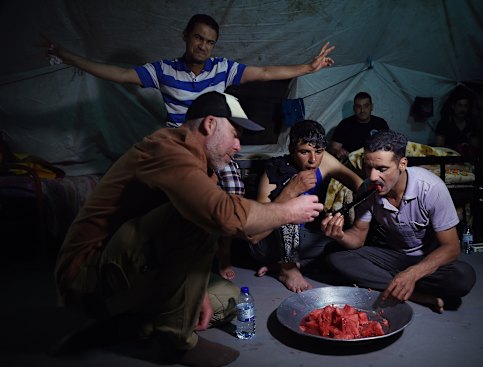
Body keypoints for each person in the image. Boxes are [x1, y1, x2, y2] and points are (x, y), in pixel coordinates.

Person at [47, 13, 335, 280]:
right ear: (186, 36)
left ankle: (222, 255)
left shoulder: (222, 69)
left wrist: (308, 68)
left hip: (214, 149)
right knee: (179, 204)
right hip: (184, 148)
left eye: (210, 42)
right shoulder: (163, 71)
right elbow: (120, 75)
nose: (203, 46)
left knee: (232, 188)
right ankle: (164, 265)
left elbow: (265, 72)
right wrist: (68, 57)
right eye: (199, 38)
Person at [53, 91, 324, 366]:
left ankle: (124, 325)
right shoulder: (166, 149)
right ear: (209, 124)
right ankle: (175, 341)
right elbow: (222, 216)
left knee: (230, 300)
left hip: (130, 268)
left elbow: (238, 231)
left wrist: (193, 292)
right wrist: (287, 210)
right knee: (202, 213)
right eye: (235, 134)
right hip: (90, 276)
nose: (238, 146)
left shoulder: (200, 163)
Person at [321, 130, 476, 313]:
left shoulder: (432, 188)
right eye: (368, 167)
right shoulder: (367, 189)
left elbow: (451, 248)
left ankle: (392, 283)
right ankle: (413, 294)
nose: (372, 177)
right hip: (392, 256)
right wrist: (340, 235)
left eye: (382, 169)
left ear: (402, 164)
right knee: (335, 257)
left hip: (426, 259)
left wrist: (413, 273)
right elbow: (358, 236)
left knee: (463, 277)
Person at [248, 120, 363, 293]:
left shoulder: (323, 161)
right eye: (304, 152)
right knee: (293, 209)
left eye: (318, 151)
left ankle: (284, 264)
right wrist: (289, 192)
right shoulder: (272, 172)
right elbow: (254, 235)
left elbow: (360, 185)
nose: (313, 160)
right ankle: (288, 268)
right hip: (267, 244)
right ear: (291, 149)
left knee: (341, 244)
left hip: (305, 239)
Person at [328, 92, 389, 161]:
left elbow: (389, 145)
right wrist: (338, 151)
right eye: (358, 106)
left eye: (366, 106)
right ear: (354, 108)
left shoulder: (380, 123)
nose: (362, 110)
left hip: (375, 163)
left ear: (371, 107)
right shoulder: (345, 124)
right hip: (351, 165)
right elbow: (333, 148)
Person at [434, 86, 479, 155]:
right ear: (453, 106)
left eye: (465, 106)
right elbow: (439, 147)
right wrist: (455, 148)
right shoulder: (444, 123)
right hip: (449, 160)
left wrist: (467, 148)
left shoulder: (471, 124)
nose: (462, 109)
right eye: (460, 105)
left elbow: (475, 146)